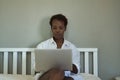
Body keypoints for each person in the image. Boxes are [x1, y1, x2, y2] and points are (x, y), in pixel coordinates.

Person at [36, 14, 82, 80]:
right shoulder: (42, 46)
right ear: (51, 28)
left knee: (63, 73)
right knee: (56, 71)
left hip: (66, 76)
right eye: (54, 28)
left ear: (65, 28)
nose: (57, 30)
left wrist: (66, 64)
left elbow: (77, 70)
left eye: (60, 28)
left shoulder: (72, 47)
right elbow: (35, 67)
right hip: (47, 77)